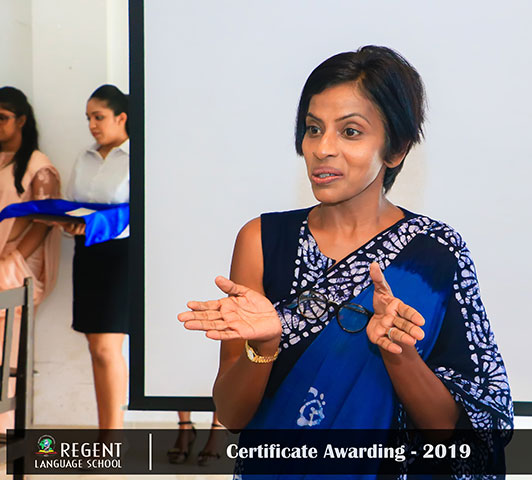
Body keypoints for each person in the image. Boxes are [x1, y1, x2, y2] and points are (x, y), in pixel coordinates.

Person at [179, 46, 513, 478]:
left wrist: (399, 353)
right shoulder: (261, 240)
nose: (322, 148)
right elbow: (231, 415)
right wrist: (264, 346)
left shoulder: (435, 255)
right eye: (313, 129)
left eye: (350, 131)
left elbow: (452, 429)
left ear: (396, 149)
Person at [64, 84, 130, 431]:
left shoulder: (136, 157)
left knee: (107, 346)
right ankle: (106, 430)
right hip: (87, 253)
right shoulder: (84, 156)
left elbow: (141, 213)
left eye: (99, 117)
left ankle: (113, 437)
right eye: (88, 117)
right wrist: (69, 223)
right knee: (94, 345)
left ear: (121, 117)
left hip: (121, 256)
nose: (92, 125)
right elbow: (72, 202)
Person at [0, 86, 61, 431]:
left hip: (15, 267)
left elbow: (45, 222)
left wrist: (12, 260)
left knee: (6, 353)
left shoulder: (38, 166)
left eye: (3, 118)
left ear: (21, 120)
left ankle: (5, 429)